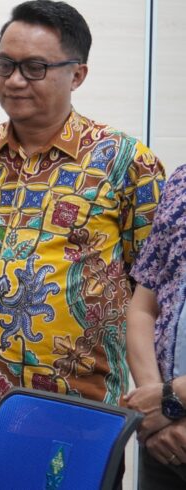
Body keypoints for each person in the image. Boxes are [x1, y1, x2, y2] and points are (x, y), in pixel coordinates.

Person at [0, 0, 166, 427]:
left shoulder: (125, 163)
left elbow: (151, 289)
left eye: (34, 68)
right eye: (5, 65)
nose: (15, 80)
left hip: (77, 404)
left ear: (77, 74)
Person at [124, 164, 186, 489]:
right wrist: (155, 411)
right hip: (164, 442)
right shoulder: (181, 181)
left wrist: (170, 400)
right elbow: (143, 307)